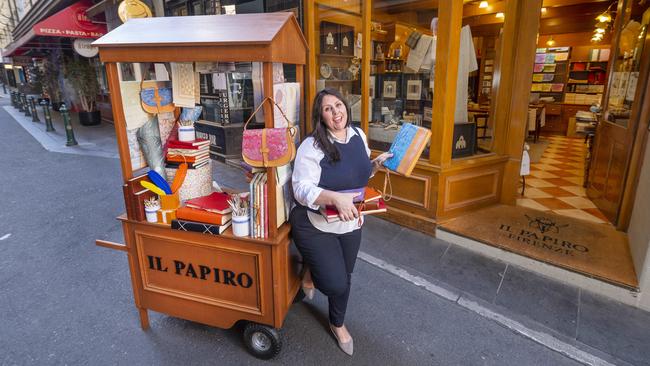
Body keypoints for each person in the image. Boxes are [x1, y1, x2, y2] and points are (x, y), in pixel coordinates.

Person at [290, 88, 392, 356]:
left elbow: (357, 173)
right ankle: (312, 269)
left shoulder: (358, 135)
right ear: (321, 116)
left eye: (338, 105)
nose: (336, 112)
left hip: (350, 221)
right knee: (334, 284)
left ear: (346, 106)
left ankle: (337, 324)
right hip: (314, 224)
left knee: (345, 277)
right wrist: (334, 198)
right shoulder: (311, 146)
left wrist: (375, 165)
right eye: (328, 109)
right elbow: (300, 189)